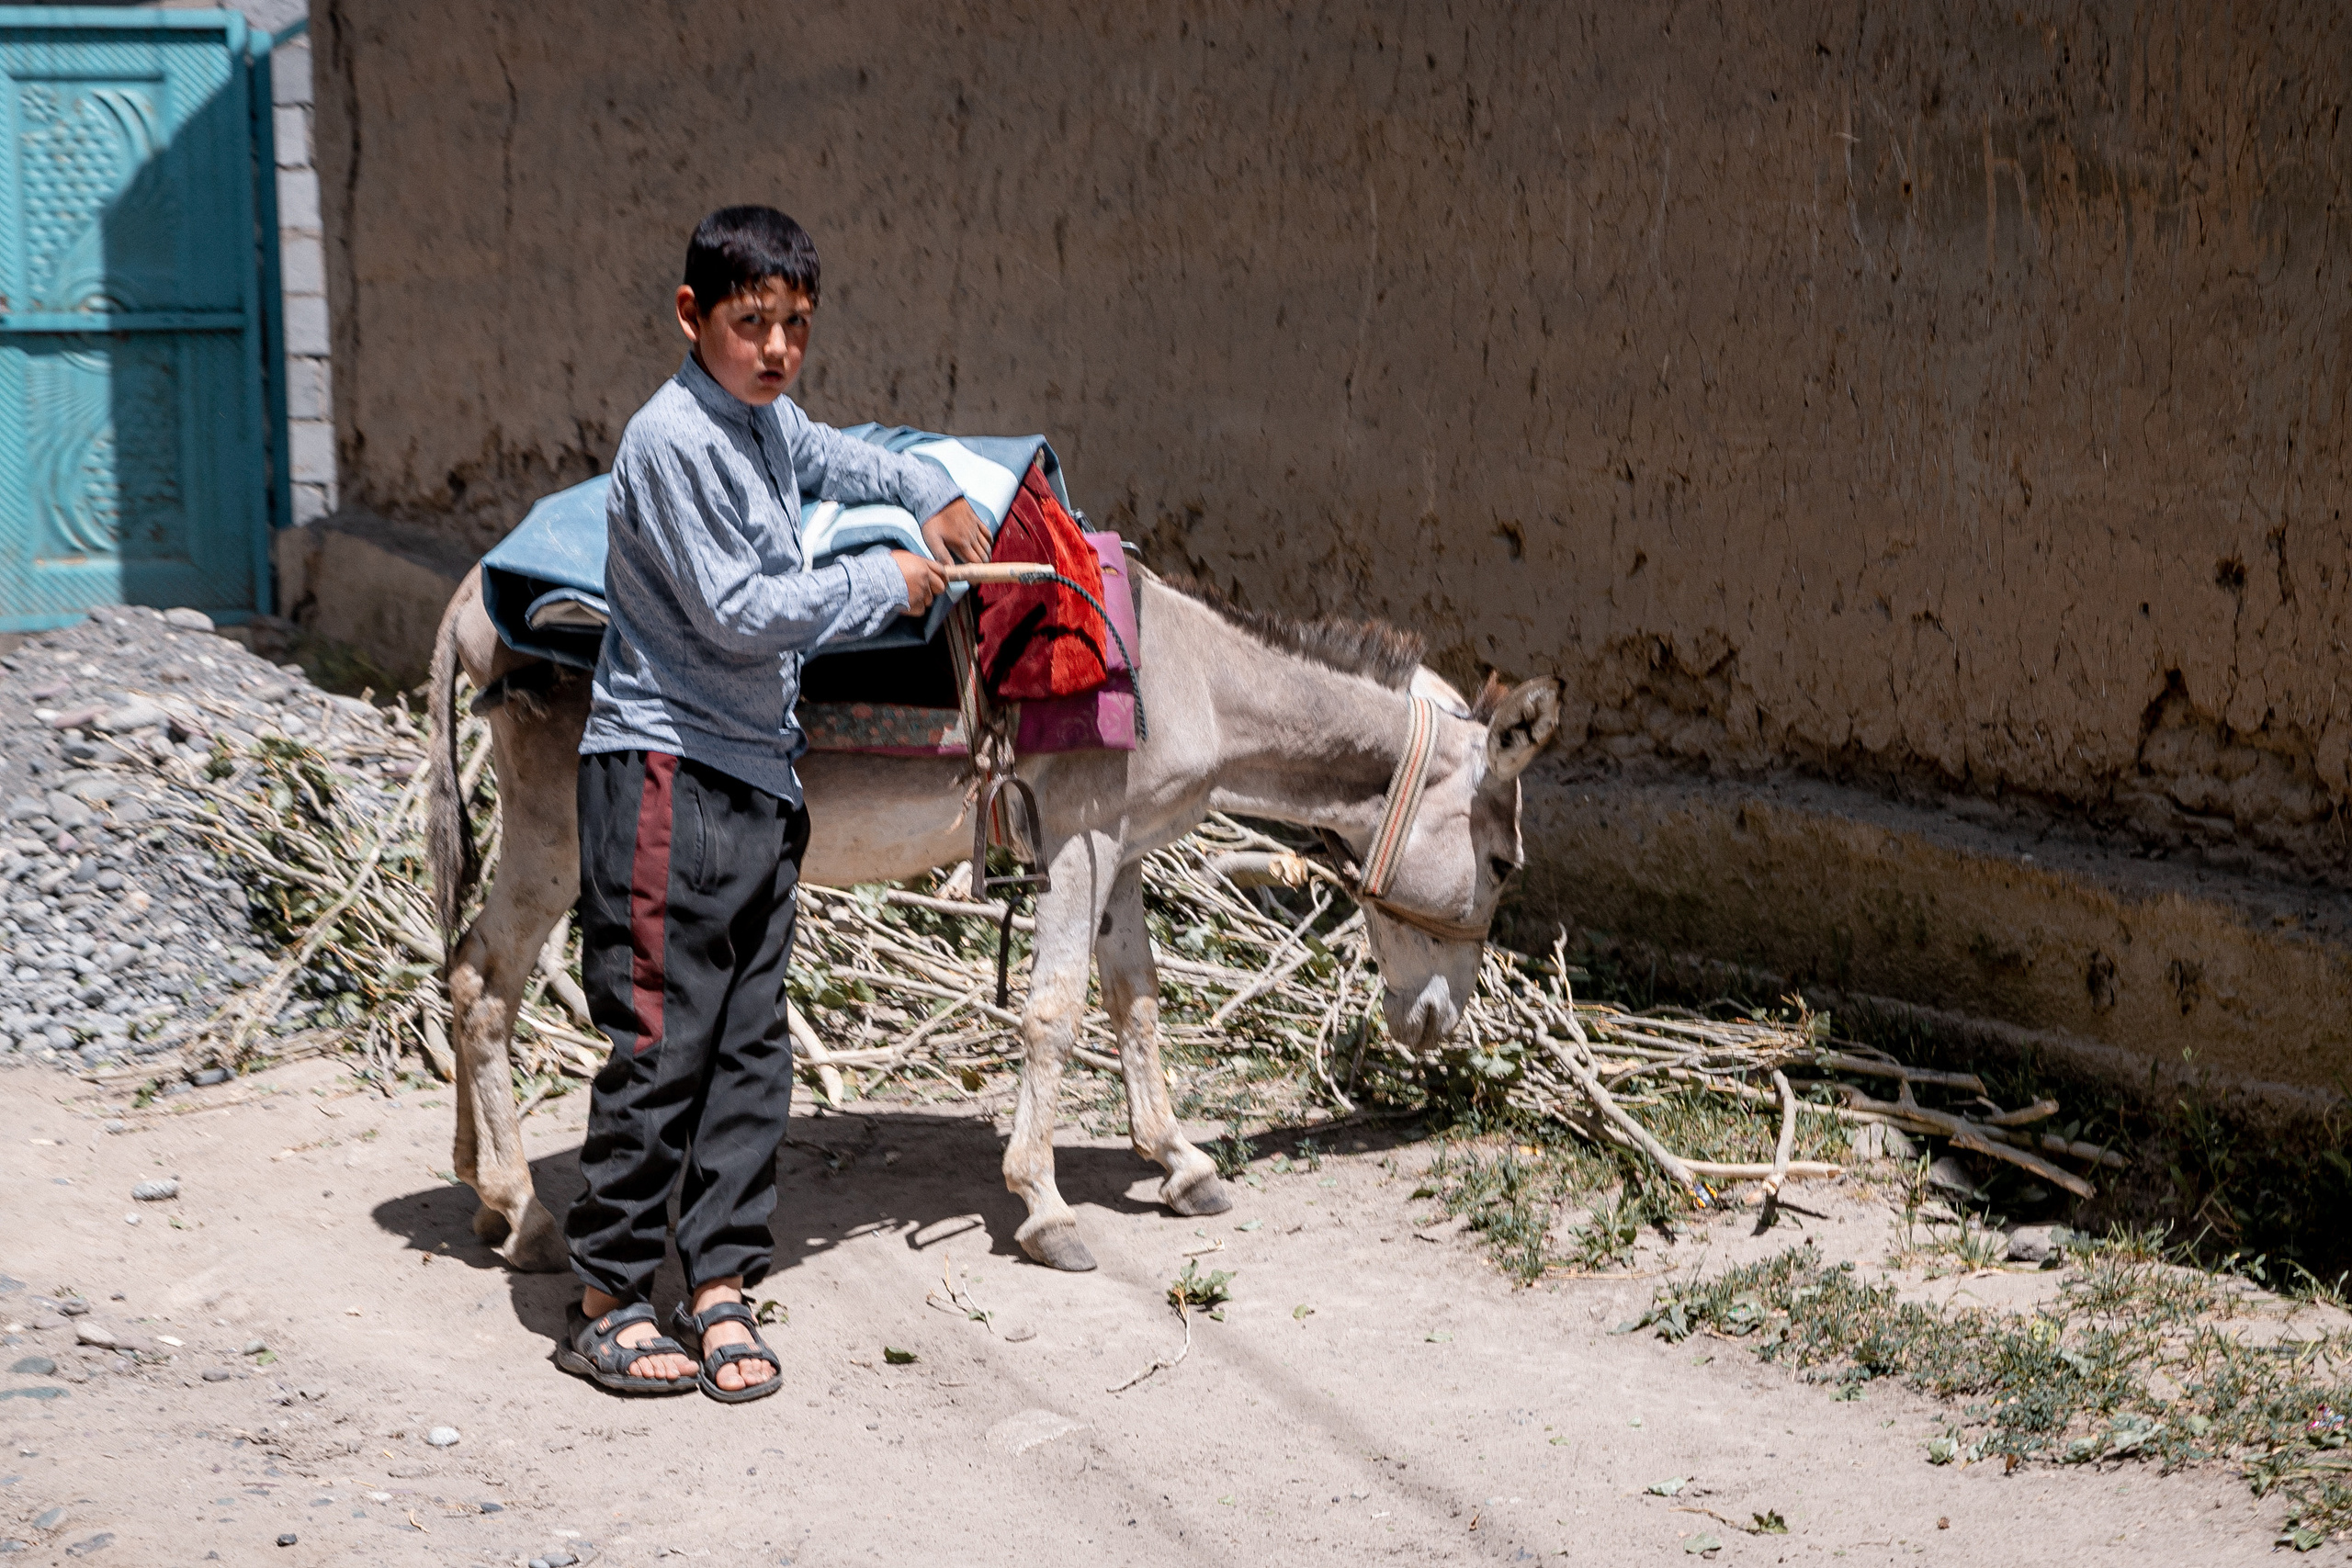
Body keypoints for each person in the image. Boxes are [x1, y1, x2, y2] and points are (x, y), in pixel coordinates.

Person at [558, 205, 992, 1400]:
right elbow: (738, 611)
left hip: (754, 774)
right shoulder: (671, 440)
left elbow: (836, 456)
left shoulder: (760, 420)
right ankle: (606, 1296)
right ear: (690, 316)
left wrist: (925, 487)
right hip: (668, 773)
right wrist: (882, 581)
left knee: (750, 1052)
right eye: (752, 324)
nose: (778, 349)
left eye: (797, 324)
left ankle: (719, 1284)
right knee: (662, 1046)